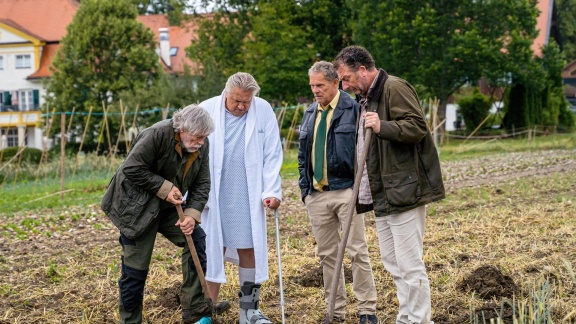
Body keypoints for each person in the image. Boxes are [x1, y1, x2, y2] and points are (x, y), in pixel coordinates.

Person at [333, 46, 445, 324]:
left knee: (410, 264)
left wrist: (383, 126)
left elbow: (417, 126)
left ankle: (420, 320)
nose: (344, 86)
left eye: (346, 79)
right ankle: (406, 318)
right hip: (384, 193)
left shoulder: (394, 87)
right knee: (393, 263)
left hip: (404, 189)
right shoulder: (367, 98)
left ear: (362, 69)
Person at [101, 104, 215, 324]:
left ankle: (195, 310)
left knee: (196, 240)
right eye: (197, 137)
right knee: (136, 269)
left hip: (168, 207)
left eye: (204, 137)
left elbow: (202, 182)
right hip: (136, 208)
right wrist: (164, 187)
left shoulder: (202, 144)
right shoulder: (156, 135)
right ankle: (130, 320)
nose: (201, 142)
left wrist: (191, 215)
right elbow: (131, 168)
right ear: (182, 129)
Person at [298, 61, 378, 324]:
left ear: (335, 82)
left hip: (347, 191)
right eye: (312, 86)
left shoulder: (353, 109)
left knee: (357, 250)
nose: (315, 90)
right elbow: (302, 156)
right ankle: (336, 312)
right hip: (317, 195)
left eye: (320, 85)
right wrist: (305, 191)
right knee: (327, 257)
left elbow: (364, 152)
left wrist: (359, 187)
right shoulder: (310, 113)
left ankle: (367, 310)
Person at [199, 72, 283, 324]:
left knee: (250, 246)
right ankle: (208, 311)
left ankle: (249, 311)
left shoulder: (263, 110)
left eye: (246, 101)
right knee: (213, 248)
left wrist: (271, 191)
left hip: (248, 191)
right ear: (226, 93)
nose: (241, 106)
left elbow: (272, 153)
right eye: (236, 100)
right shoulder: (206, 109)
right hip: (215, 191)